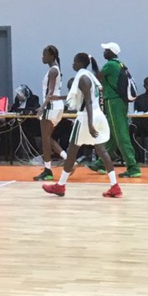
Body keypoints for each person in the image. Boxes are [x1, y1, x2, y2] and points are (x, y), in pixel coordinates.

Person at [41, 53, 122, 199]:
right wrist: (59, 97)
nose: (72, 64)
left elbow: (88, 102)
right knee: (102, 151)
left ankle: (60, 185)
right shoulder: (90, 76)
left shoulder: (83, 78)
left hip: (87, 117)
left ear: (79, 62)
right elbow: (81, 96)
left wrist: (90, 124)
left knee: (71, 152)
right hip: (98, 115)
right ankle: (115, 186)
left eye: (74, 61)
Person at [89, 42, 139, 178]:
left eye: (106, 50)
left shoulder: (110, 65)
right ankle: (100, 163)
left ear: (111, 52)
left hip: (113, 101)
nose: (104, 52)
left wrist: (93, 63)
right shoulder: (120, 64)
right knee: (111, 134)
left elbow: (97, 76)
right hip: (119, 102)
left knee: (120, 134)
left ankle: (133, 167)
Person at [33, 45, 67, 182]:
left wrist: (42, 107)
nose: (43, 57)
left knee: (45, 140)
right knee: (48, 138)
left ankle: (48, 170)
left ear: (52, 56)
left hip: (51, 106)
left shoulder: (53, 70)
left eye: (45, 55)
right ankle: (69, 159)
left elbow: (50, 92)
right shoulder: (55, 69)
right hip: (57, 106)